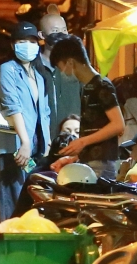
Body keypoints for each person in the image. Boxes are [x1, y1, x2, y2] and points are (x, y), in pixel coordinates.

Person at [0, 23, 55, 220]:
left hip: (36, 146)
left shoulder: (39, 73)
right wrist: (25, 142)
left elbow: (44, 112)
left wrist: (47, 144)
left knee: (29, 205)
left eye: (31, 41)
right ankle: (7, 246)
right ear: (12, 45)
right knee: (12, 204)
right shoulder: (7, 70)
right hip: (15, 146)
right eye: (21, 41)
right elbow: (12, 107)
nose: (27, 45)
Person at [48, 36, 124, 176]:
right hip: (91, 162)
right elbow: (94, 130)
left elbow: (118, 124)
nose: (62, 73)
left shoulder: (102, 85)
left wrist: (82, 142)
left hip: (101, 163)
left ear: (70, 62)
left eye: (61, 68)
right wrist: (74, 157)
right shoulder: (87, 88)